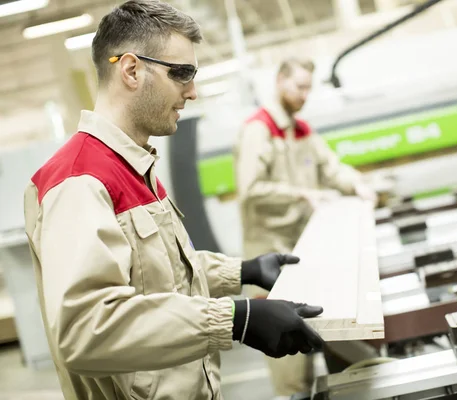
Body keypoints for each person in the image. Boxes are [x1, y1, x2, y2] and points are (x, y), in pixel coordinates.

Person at [23, 1, 324, 399]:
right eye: (181, 73)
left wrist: (244, 271)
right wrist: (235, 319)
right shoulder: (80, 180)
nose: (193, 91)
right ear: (131, 70)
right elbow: (85, 329)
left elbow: (156, 274)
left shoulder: (134, 166)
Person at [234, 57, 377, 397]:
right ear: (280, 81)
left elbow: (331, 167)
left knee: (315, 329)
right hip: (270, 255)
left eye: (308, 88)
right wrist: (302, 194)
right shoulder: (259, 130)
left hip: (303, 249)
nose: (304, 95)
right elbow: (249, 191)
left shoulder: (301, 130)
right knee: (286, 351)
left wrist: (358, 185)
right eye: (299, 86)